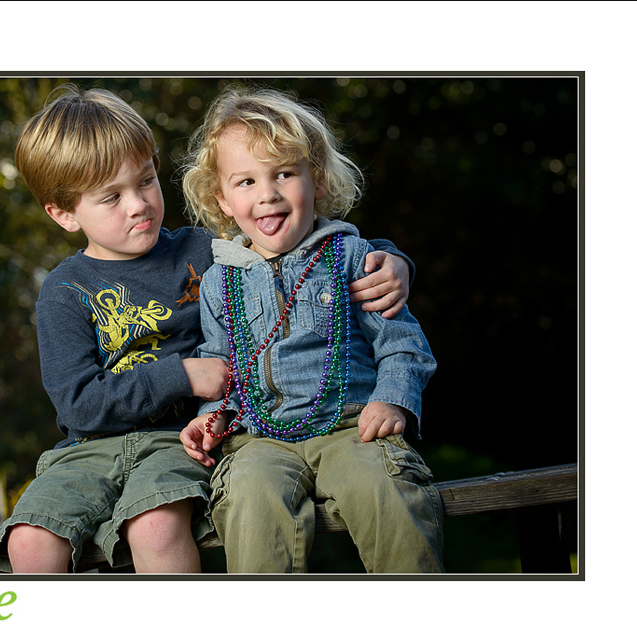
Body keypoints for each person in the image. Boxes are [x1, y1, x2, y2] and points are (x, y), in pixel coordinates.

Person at [0, 85, 414, 574]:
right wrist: (182, 375)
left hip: (178, 445)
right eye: (111, 197)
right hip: (85, 451)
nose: (138, 205)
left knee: (155, 527)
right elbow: (78, 404)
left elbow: (291, 245)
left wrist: (393, 260)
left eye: (145, 181)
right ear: (64, 213)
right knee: (30, 544)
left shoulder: (206, 252)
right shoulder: (63, 290)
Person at [180, 85, 444, 573]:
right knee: (250, 496)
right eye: (246, 182)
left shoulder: (352, 258)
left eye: (284, 173)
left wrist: (393, 399)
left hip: (350, 428)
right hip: (260, 439)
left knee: (384, 487)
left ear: (316, 181)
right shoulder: (220, 282)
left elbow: (403, 344)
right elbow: (221, 368)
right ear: (222, 199)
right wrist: (214, 416)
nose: (267, 194)